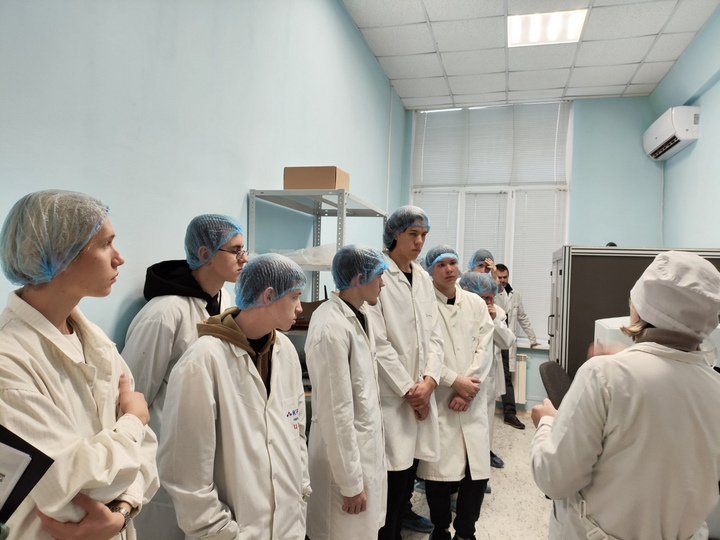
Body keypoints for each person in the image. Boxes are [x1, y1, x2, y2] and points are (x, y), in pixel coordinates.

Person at [0, 190, 159, 540]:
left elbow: (146, 451)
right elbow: (74, 491)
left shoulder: (95, 341)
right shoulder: (8, 361)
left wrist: (122, 510)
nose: (119, 258)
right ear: (61, 255)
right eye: (105, 244)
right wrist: (133, 421)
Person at [530, 251, 720, 539]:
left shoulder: (604, 374)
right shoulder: (714, 385)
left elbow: (554, 479)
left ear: (639, 309)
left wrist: (546, 423)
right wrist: (627, 362)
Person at [158, 253, 310, 539]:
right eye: (295, 297)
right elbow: (184, 472)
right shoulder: (202, 361)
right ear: (268, 295)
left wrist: (301, 491)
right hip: (233, 531)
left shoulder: (286, 350)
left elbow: (296, 434)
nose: (300, 308)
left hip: (289, 525)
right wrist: (221, 531)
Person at [123, 214, 244, 540]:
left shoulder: (225, 303)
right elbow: (134, 396)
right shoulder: (164, 313)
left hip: (208, 454)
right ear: (205, 254)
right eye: (235, 250)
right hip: (165, 460)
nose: (244, 259)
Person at [366, 205, 443, 539]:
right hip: (393, 398)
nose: (419, 242)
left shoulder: (423, 278)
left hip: (420, 393)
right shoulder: (377, 275)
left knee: (408, 477)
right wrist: (410, 390)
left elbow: (434, 335)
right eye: (413, 234)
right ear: (394, 234)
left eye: (424, 235)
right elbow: (378, 342)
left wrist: (430, 381)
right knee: (390, 485)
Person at [305, 245, 388, 540]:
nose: (383, 283)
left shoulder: (359, 313)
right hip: (341, 469)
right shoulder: (330, 327)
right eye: (379, 276)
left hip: (362, 454)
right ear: (358, 278)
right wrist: (350, 484)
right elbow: (336, 413)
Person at [418, 246, 494, 540]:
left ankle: (466, 532)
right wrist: (454, 381)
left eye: (452, 263)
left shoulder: (475, 303)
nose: (449, 269)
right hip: (441, 398)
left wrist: (467, 387)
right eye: (441, 265)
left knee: (476, 475)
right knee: (438, 475)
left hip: (471, 399)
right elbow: (423, 352)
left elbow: (485, 347)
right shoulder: (423, 306)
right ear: (430, 271)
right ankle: (440, 530)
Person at [459, 271, 515, 479]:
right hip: (462, 379)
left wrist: (494, 321)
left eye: (491, 298)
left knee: (485, 430)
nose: (489, 303)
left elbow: (507, 342)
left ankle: (480, 476)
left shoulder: (497, 312)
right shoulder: (460, 309)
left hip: (487, 381)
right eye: (484, 298)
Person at [494, 263, 539, 431]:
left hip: (506, 343)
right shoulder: (491, 292)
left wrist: (532, 338)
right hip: (492, 341)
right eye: (499, 277)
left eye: (505, 277)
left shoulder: (516, 295)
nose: (503, 280)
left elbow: (522, 317)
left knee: (506, 378)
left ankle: (509, 414)